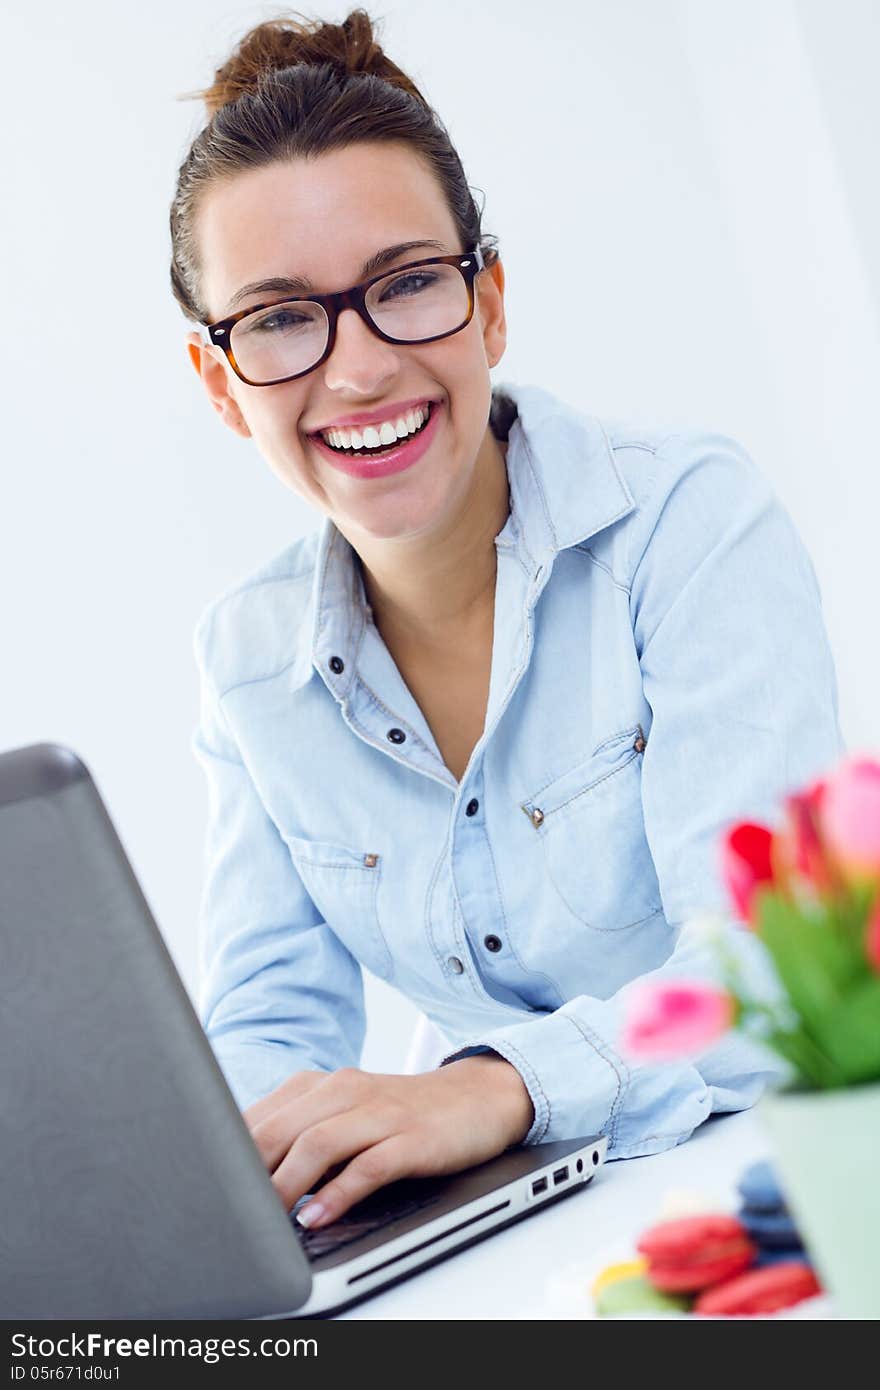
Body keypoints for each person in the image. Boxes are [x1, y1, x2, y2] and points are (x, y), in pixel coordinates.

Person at [171, 9, 844, 1233]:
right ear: (221, 384)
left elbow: (769, 976)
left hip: (772, 1187)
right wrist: (197, 1182)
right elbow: (268, 1024)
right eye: (278, 318)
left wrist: (500, 1083)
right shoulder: (244, 660)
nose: (359, 369)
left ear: (485, 302)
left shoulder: (684, 523)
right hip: (512, 1228)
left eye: (406, 284)